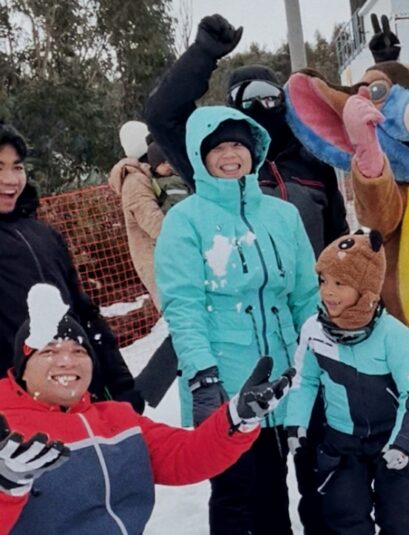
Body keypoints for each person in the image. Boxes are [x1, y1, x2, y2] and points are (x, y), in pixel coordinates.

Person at [0, 283, 292, 535]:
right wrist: (6, 487)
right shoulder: (5, 426)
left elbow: (184, 456)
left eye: (78, 351)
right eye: (49, 351)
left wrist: (238, 417)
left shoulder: (117, 420)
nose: (67, 361)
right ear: (22, 368)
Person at [154, 106, 319, 534]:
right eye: (218, 147)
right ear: (200, 156)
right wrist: (203, 376)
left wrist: (321, 357)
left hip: (285, 374)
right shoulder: (185, 220)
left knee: (276, 488)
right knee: (236, 492)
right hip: (226, 379)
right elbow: (183, 305)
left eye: (238, 145)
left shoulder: (282, 215)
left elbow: (305, 296)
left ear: (254, 151)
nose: (230, 155)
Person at [145, 14, 348, 257]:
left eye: (268, 96)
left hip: (311, 290)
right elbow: (162, 116)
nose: (260, 105)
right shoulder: (217, 161)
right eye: (246, 97)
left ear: (283, 100)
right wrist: (202, 54)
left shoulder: (310, 157)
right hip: (245, 292)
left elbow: (337, 231)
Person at [285, 231, 409, 534]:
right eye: (324, 281)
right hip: (342, 441)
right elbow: (305, 379)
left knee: (402, 519)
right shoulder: (313, 330)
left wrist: (402, 444)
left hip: (391, 438)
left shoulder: (394, 335)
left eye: (340, 283)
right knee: (345, 518)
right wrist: (295, 422)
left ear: (366, 289)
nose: (328, 292)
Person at [0, 122, 143, 413]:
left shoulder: (44, 235)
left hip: (77, 395)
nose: (10, 180)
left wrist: (120, 382)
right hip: (16, 408)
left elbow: (84, 314)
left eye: (17, 167)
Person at [108, 135, 190, 408]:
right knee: (186, 328)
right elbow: (153, 221)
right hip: (165, 266)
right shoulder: (135, 181)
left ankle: (145, 394)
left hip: (174, 262)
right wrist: (189, 240)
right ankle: (141, 395)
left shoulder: (149, 176)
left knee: (189, 328)